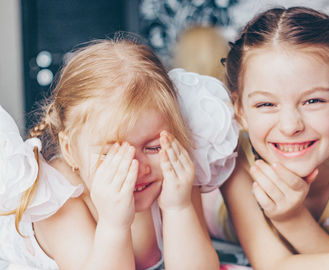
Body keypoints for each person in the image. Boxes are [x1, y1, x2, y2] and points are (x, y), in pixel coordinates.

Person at [0, 35, 239, 270]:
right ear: (70, 150)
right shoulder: (56, 200)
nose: (138, 168)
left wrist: (179, 208)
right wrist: (114, 224)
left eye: (153, 147)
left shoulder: (171, 170)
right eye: (111, 154)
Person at [220, 6, 329, 269]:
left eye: (313, 100)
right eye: (266, 105)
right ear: (240, 111)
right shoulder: (234, 158)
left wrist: (290, 218)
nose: (291, 126)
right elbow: (273, 264)